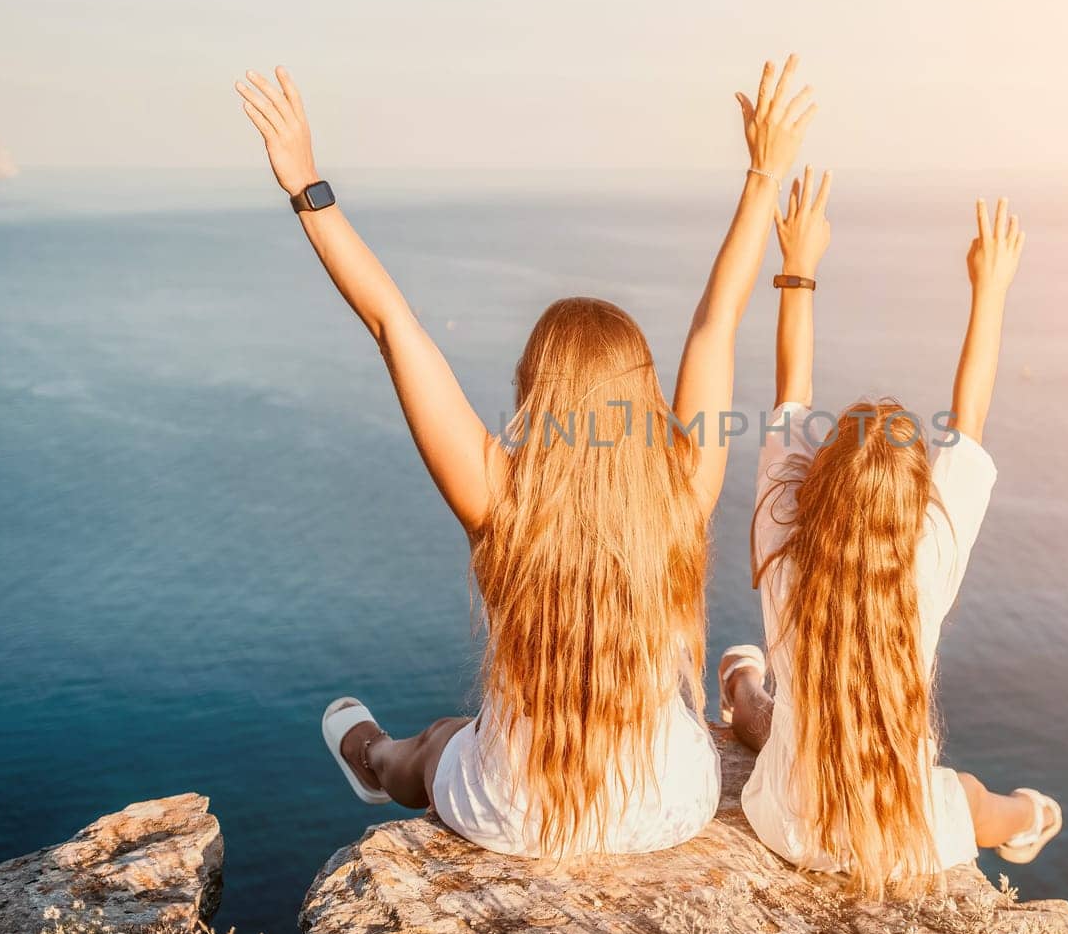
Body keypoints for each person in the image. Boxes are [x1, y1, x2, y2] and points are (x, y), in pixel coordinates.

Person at [234, 56, 815, 857]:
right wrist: (763, 174)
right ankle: (398, 756)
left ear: (534, 390)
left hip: (518, 807)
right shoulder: (683, 489)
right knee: (474, 735)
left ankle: (372, 760)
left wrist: (306, 184)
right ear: (643, 395)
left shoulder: (498, 492)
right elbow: (717, 327)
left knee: (442, 741)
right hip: (667, 803)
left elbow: (392, 326)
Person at [717, 177, 1062, 894]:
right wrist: (990, 289)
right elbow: (970, 420)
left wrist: (800, 267)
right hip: (894, 834)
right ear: (916, 502)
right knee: (969, 797)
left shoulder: (784, 534)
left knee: (772, 718)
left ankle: (740, 679)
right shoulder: (926, 555)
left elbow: (791, 393)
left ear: (819, 481)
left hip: (784, 823)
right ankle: (1034, 821)